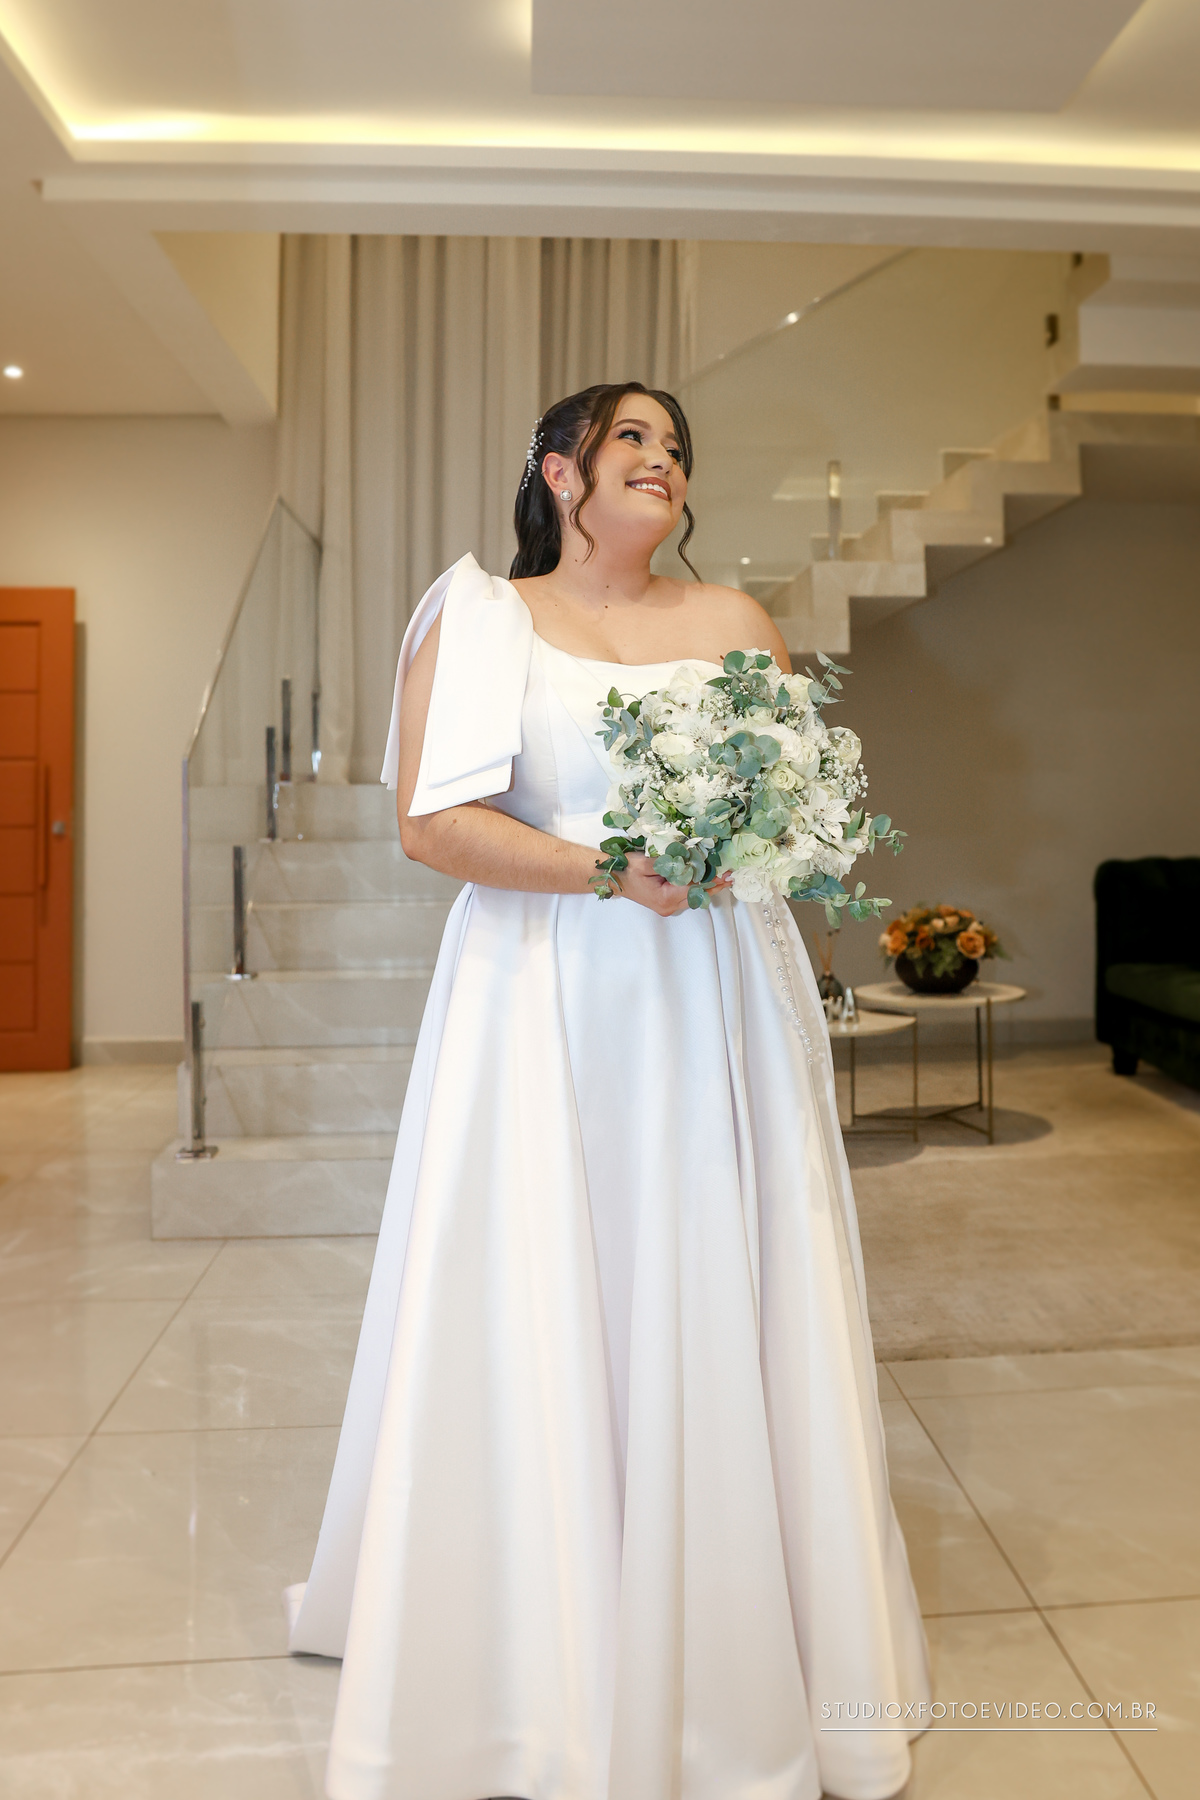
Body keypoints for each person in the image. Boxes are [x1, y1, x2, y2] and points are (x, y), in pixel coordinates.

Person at [286, 380, 931, 1800]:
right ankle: (547, 1643)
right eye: (632, 437)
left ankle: (746, 1638)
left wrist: (771, 849)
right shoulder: (482, 617)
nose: (662, 460)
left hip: (723, 987)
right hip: (548, 992)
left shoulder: (736, 620)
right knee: (552, 1277)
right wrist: (607, 871)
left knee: (724, 1274)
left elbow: (792, 805)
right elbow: (431, 826)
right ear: (559, 472)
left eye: (677, 447)